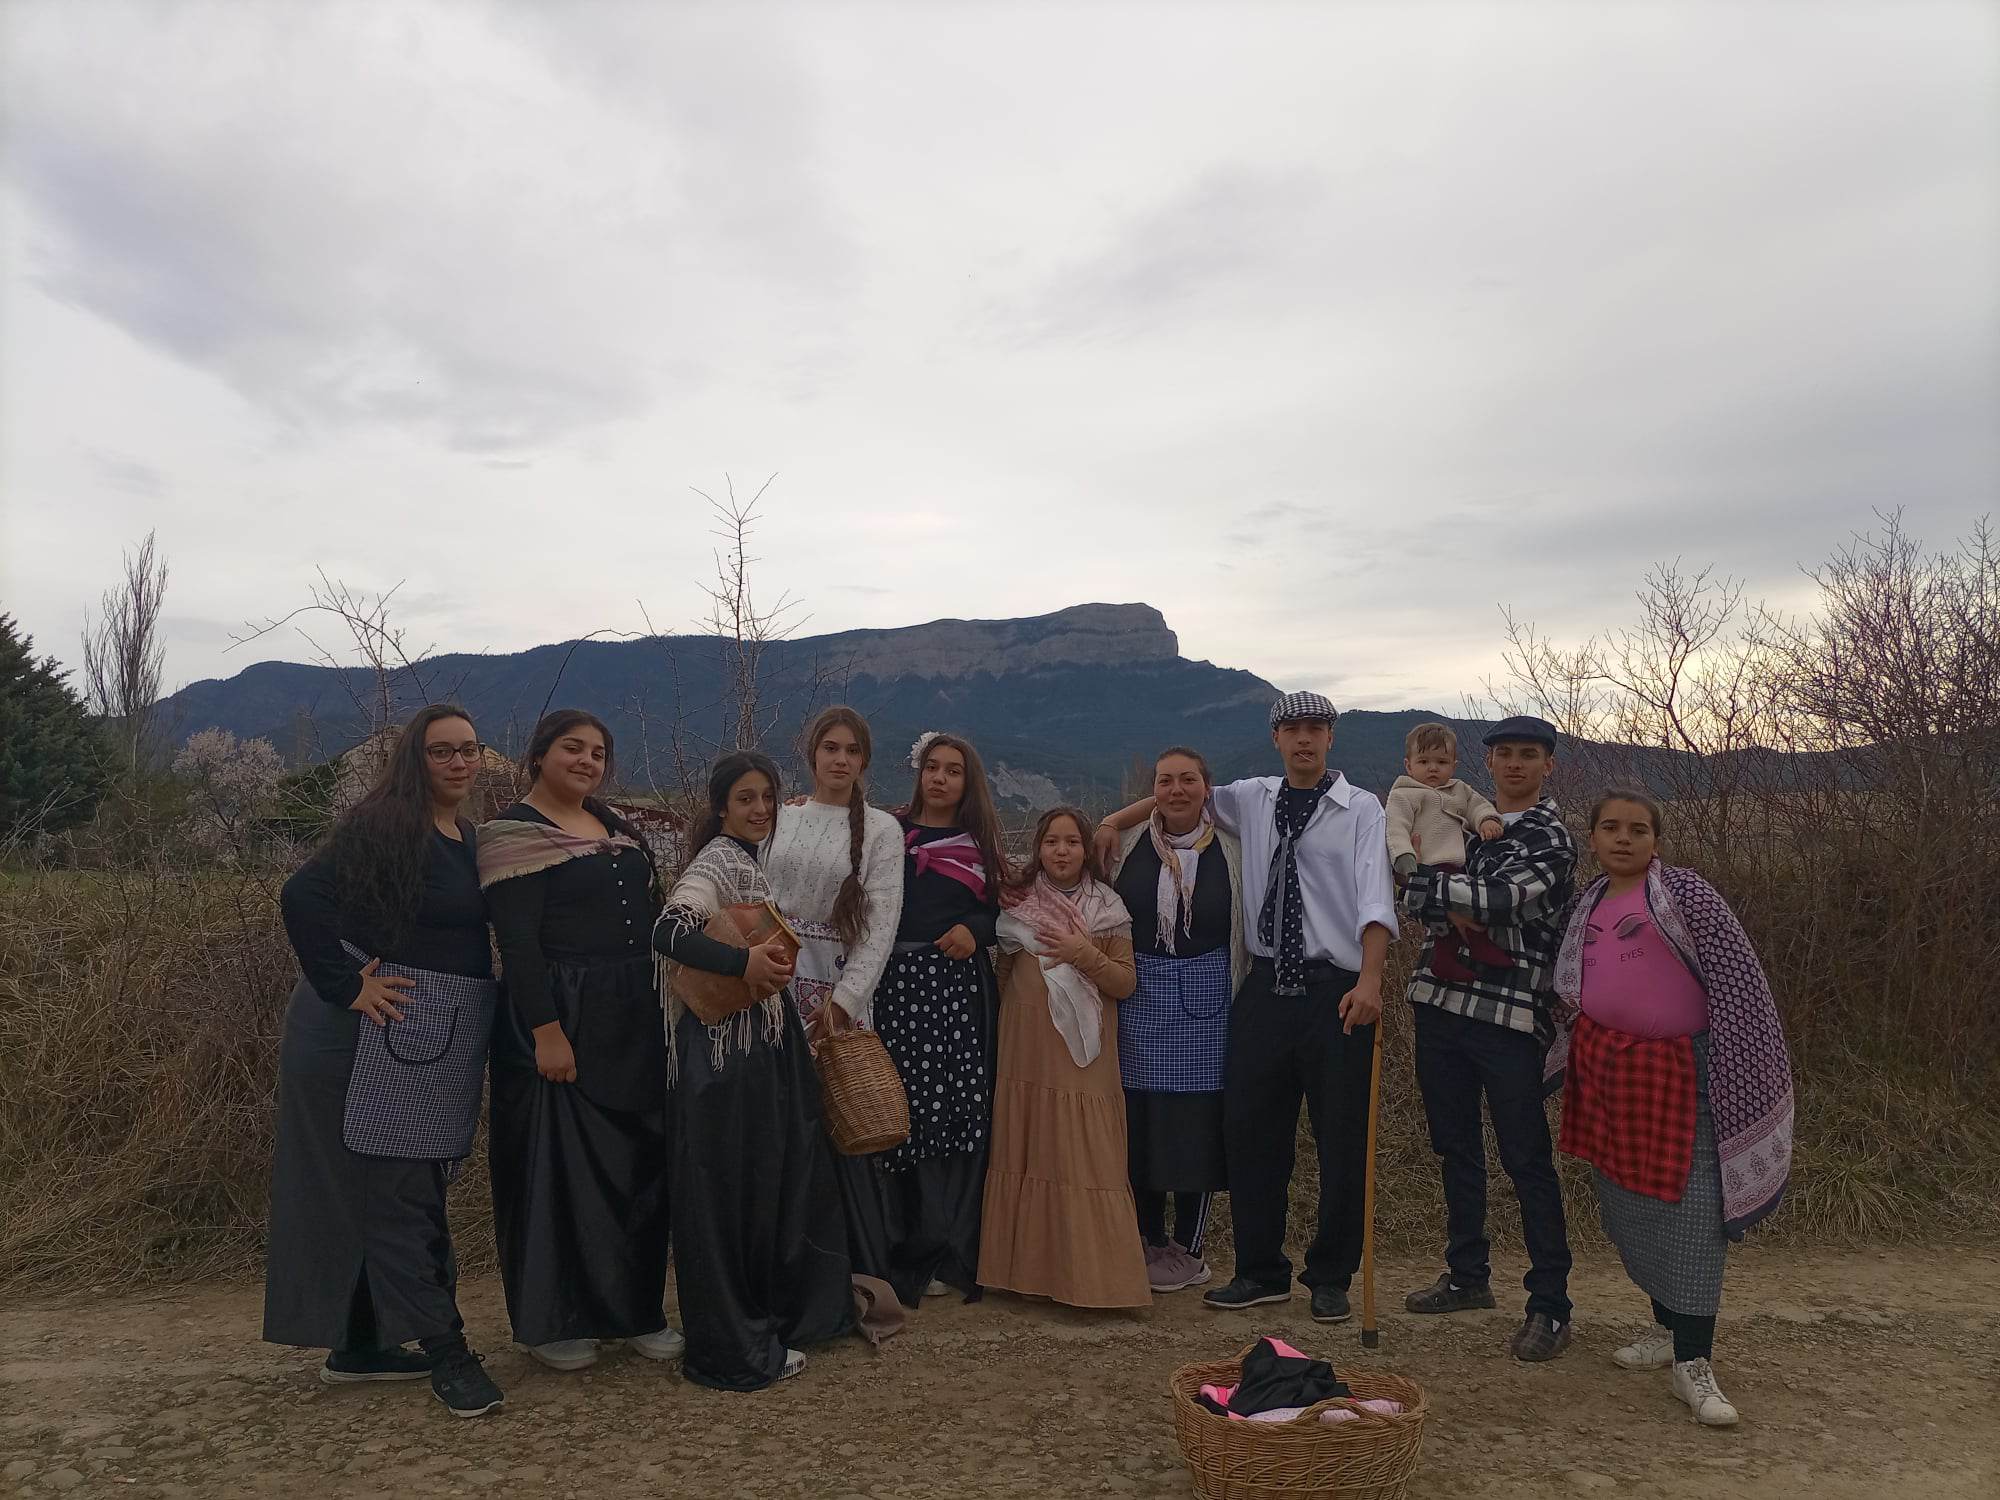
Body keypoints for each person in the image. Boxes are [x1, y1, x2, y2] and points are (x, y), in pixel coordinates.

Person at [1097, 690, 1396, 1324]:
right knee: (1253, 1135)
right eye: (1292, 729)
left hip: (1335, 987)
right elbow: (1179, 797)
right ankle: (1261, 1269)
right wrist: (1111, 823)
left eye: (1315, 728)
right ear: (1277, 739)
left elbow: (1376, 898)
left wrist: (1371, 981)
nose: (1304, 740)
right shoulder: (1251, 798)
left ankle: (1331, 1274)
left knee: (1340, 1139)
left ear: (1331, 738)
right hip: (1263, 987)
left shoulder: (1360, 808)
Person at [265, 704, 505, 1418]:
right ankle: (447, 1352)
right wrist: (349, 987)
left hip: (430, 1035)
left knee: (406, 1185)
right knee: (396, 1191)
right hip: (369, 1035)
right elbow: (302, 894)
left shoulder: (466, 837)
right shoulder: (388, 823)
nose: (459, 763)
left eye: (469, 749)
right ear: (415, 759)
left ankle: (361, 1345)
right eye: (442, 752)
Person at [1551, 789, 1794, 1426]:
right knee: (1629, 1207)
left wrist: (1743, 1067)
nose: (1623, 839)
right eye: (1610, 828)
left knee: (1691, 1215)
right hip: (1610, 1075)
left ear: (1657, 841)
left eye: (1637, 830)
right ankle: (1666, 1328)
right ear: (1594, 838)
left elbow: (1739, 979)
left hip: (1687, 1076)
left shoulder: (1687, 896)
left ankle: (1695, 1362)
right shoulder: (1587, 904)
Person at [479, 709, 680, 1373]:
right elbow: (519, 946)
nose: (588, 761)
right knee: (559, 1173)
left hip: (632, 1017)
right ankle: (555, 1321)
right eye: (573, 748)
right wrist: (546, 1032)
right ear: (539, 755)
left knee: (637, 1165)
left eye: (598, 752)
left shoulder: (616, 827)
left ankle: (636, 1312)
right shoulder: (513, 835)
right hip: (560, 1014)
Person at [652, 751, 855, 1388]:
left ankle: (752, 1327)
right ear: (720, 807)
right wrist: (742, 969)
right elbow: (668, 930)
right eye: (745, 799)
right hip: (724, 1059)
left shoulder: (749, 860)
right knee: (728, 1199)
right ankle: (732, 1347)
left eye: (768, 797)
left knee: (751, 1194)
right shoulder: (717, 861)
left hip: (749, 1051)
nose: (760, 809)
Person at [1398, 714, 1578, 1361]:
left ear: (1548, 764)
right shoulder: (1465, 823)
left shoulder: (1551, 837)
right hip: (1439, 1006)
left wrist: (1430, 887)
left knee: (1525, 1157)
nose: (1515, 765)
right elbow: (1418, 904)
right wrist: (1440, 893)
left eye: (1529, 755)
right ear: (1490, 762)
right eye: (1504, 755)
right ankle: (1468, 1276)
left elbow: (1505, 899)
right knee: (1456, 1148)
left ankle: (1550, 1305)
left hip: (1512, 1015)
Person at [979, 806, 1149, 1308]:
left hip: (1084, 1054)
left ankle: (1097, 1282)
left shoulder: (1109, 908)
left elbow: (1124, 983)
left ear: (1085, 850)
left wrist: (1082, 952)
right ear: (1038, 849)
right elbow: (1006, 975)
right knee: (1027, 1149)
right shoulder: (1018, 906)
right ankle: (1024, 1276)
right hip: (1025, 1046)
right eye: (1051, 842)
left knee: (1086, 1153)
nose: (1061, 851)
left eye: (1071, 842)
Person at [762, 705, 906, 1281]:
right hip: (770, 980)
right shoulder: (782, 817)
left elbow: (882, 921)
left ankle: (851, 1264)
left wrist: (846, 1000)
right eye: (830, 749)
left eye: (851, 751)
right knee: (781, 1119)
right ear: (812, 754)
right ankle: (785, 1257)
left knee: (840, 1119)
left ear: (864, 760)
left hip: (837, 986)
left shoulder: (881, 830)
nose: (840, 759)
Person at [867, 731, 1007, 1305]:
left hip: (954, 993)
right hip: (895, 988)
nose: (942, 778)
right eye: (933, 767)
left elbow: (1002, 908)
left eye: (954, 770)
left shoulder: (982, 843)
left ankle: (948, 1245)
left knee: (955, 1112)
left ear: (967, 781)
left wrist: (974, 931)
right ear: (919, 772)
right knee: (897, 1110)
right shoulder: (886, 833)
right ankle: (900, 1245)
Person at [1107, 746, 1248, 1294]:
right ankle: (1145, 1239)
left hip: (1210, 1001)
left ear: (1206, 787)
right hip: (1140, 1000)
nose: (1177, 791)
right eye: (1165, 781)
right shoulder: (1122, 846)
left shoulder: (1233, 850)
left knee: (1197, 1124)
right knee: (1140, 1121)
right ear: (1152, 791)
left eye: (1188, 780)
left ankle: (1189, 1249)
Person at [1387, 722, 1510, 972]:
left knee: (1455, 915)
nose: (1432, 768)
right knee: (1463, 911)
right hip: (1426, 865)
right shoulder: (1404, 795)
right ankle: (1477, 944)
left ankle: (1444, 960)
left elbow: (1478, 806)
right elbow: (1395, 828)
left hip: (1458, 865)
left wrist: (1487, 820)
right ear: (1408, 765)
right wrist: (1403, 857)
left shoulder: (1459, 790)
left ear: (1453, 766)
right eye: (1423, 762)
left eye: (1441, 762)